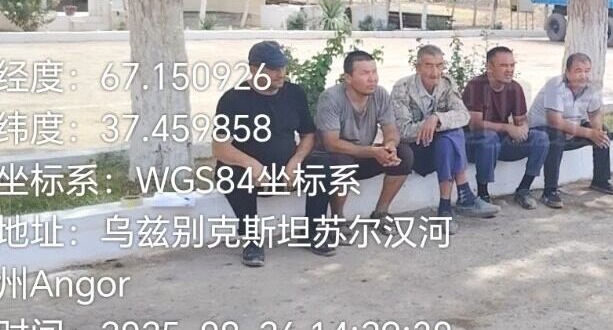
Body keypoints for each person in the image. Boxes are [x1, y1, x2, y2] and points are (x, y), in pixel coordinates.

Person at [212, 40, 327, 268]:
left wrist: (296, 160)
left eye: (282, 67)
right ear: (254, 69)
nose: (280, 74)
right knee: (228, 174)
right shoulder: (233, 99)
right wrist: (250, 164)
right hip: (252, 172)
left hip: (287, 169)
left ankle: (313, 231)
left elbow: (308, 134)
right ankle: (252, 240)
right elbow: (219, 148)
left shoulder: (294, 93)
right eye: (273, 69)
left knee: (325, 166)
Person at [306, 51, 415, 237]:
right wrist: (373, 152)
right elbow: (331, 143)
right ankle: (337, 219)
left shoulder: (379, 94)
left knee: (404, 155)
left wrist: (389, 146)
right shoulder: (331, 98)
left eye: (374, 71)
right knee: (343, 163)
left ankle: (380, 213)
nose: (372, 78)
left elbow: (391, 129)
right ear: (348, 78)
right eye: (365, 73)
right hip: (332, 159)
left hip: (364, 154)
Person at [390, 45, 499, 221]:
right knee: (452, 133)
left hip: (442, 148)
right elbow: (403, 130)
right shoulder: (402, 88)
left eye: (439, 65)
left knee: (449, 139)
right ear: (417, 67)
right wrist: (431, 125)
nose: (435, 72)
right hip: (417, 150)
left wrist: (437, 118)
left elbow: (463, 115)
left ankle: (446, 207)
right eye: (428, 65)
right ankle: (463, 196)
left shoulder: (446, 83)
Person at [526, 53, 613, 208]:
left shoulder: (591, 87)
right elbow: (555, 121)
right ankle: (550, 191)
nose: (584, 75)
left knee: (603, 132)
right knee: (557, 136)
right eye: (578, 71)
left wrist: (597, 132)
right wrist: (588, 133)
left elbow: (595, 113)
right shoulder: (555, 86)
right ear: (568, 72)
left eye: (587, 71)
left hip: (571, 125)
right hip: (542, 129)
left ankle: (601, 180)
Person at [463, 46, 550, 209]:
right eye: (504, 65)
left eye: (512, 65)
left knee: (540, 138)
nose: (509, 70)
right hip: (475, 144)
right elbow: (474, 124)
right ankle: (482, 194)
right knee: (489, 137)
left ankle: (523, 189)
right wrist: (508, 128)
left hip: (500, 141)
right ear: (489, 67)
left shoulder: (514, 88)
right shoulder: (476, 86)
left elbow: (520, 120)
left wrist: (522, 129)